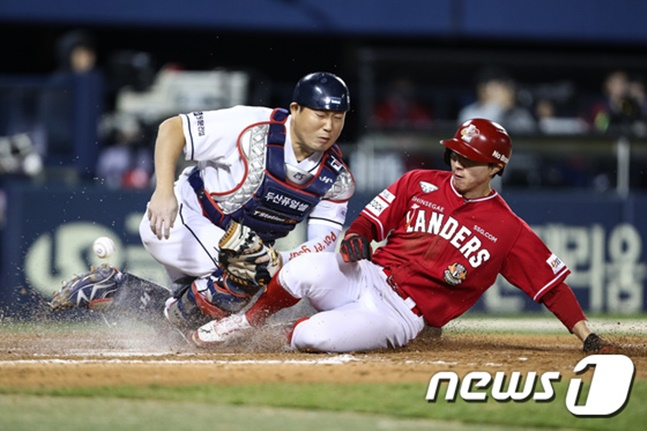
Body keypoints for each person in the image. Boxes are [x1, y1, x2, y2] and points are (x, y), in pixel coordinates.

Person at [192, 118, 617, 355]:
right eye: (455, 153)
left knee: (313, 337)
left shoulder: (508, 230)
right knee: (302, 268)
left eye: (470, 160)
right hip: (367, 276)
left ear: (496, 168)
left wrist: (587, 336)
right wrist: (357, 235)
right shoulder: (419, 182)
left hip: (401, 315)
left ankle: (275, 341)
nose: (457, 164)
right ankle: (245, 323)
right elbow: (368, 223)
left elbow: (550, 286)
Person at [49, 71, 356, 333]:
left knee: (209, 323)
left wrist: (278, 262)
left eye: (337, 117)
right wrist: (163, 191)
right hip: (180, 221)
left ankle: (117, 289)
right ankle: (183, 310)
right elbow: (172, 128)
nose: (329, 126)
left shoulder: (336, 178)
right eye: (320, 115)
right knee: (249, 270)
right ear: (296, 109)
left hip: (236, 251)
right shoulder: (253, 127)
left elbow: (321, 250)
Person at [458, 67, 536, 134]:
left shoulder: (520, 114)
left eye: (506, 87)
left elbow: (531, 139)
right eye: (498, 87)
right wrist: (499, 109)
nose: (505, 91)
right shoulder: (470, 113)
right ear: (483, 89)